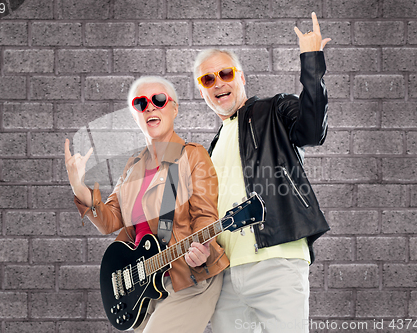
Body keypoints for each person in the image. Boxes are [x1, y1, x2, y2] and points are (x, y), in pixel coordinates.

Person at [193, 12, 331, 333]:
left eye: (225, 73)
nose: (218, 82)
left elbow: (312, 131)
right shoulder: (210, 149)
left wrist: (311, 61)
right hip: (226, 275)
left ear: (241, 77)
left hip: (277, 260)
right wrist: (201, 251)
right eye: (207, 79)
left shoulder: (273, 109)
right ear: (202, 91)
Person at [64, 76, 229, 333]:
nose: (150, 107)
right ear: (135, 115)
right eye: (141, 103)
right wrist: (79, 187)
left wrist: (203, 247)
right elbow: (110, 220)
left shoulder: (191, 155)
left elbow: (205, 214)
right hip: (145, 284)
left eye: (159, 100)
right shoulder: (133, 167)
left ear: (175, 108)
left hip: (189, 277)